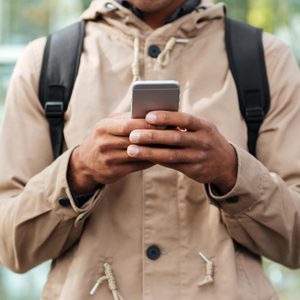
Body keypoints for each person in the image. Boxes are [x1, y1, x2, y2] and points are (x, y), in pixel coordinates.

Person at [0, 0, 300, 299]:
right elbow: (12, 248)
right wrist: (78, 172)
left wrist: (232, 172)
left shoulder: (265, 58)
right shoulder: (47, 62)